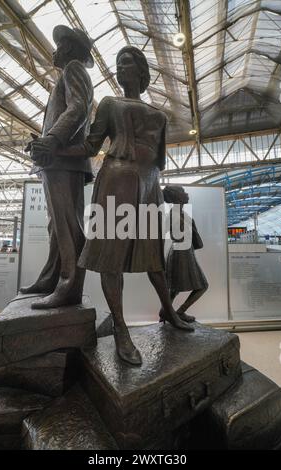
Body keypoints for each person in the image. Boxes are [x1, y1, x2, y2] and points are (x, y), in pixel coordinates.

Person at [54, 46, 193, 365]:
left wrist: (164, 188)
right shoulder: (109, 103)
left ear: (142, 71)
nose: (120, 67)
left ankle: (169, 311)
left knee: (154, 254)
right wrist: (56, 146)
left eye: (126, 61)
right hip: (117, 177)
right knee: (110, 257)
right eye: (117, 63)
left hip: (149, 184)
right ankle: (120, 328)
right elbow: (90, 145)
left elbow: (160, 161)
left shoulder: (160, 115)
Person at [21, 25, 94, 309]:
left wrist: (51, 140)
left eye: (59, 44)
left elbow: (78, 109)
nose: (54, 49)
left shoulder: (74, 69)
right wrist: (43, 142)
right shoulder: (66, 74)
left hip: (65, 159)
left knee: (67, 225)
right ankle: (52, 277)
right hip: (56, 159)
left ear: (71, 49)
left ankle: (69, 286)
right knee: (56, 225)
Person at [162, 185, 208, 322]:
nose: (186, 194)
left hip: (184, 252)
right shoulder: (173, 215)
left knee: (175, 288)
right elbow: (161, 235)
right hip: (181, 254)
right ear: (176, 197)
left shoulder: (182, 214)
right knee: (202, 286)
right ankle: (178, 312)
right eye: (183, 192)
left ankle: (166, 311)